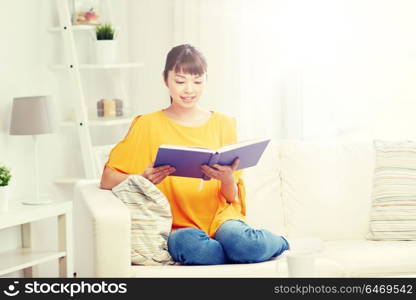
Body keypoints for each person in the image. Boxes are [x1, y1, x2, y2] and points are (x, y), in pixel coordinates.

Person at [100, 44, 289, 265]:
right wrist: (141, 179)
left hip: (222, 220)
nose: (189, 89)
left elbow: (230, 198)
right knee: (194, 248)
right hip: (177, 226)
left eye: (197, 81)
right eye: (180, 81)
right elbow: (106, 179)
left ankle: (281, 242)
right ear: (165, 80)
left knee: (246, 244)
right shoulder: (147, 124)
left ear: (206, 80)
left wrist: (228, 178)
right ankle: (227, 254)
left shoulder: (224, 124)